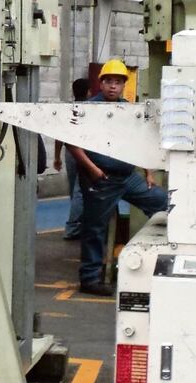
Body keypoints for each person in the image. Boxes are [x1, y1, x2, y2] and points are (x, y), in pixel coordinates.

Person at [69, 59, 168, 296]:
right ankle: (90, 279)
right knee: (95, 229)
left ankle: (159, 261)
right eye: (109, 81)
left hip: (128, 177)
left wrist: (148, 171)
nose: (113, 86)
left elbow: (139, 141)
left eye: (118, 82)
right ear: (101, 83)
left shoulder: (127, 108)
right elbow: (72, 143)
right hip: (102, 179)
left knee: (164, 204)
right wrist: (93, 170)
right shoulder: (88, 109)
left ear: (124, 85)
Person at [53, 78, 91, 240]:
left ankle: (79, 223)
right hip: (85, 153)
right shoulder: (91, 110)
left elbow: (59, 136)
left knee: (73, 190)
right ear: (88, 91)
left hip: (69, 153)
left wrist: (57, 157)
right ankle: (74, 227)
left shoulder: (69, 109)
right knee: (80, 191)